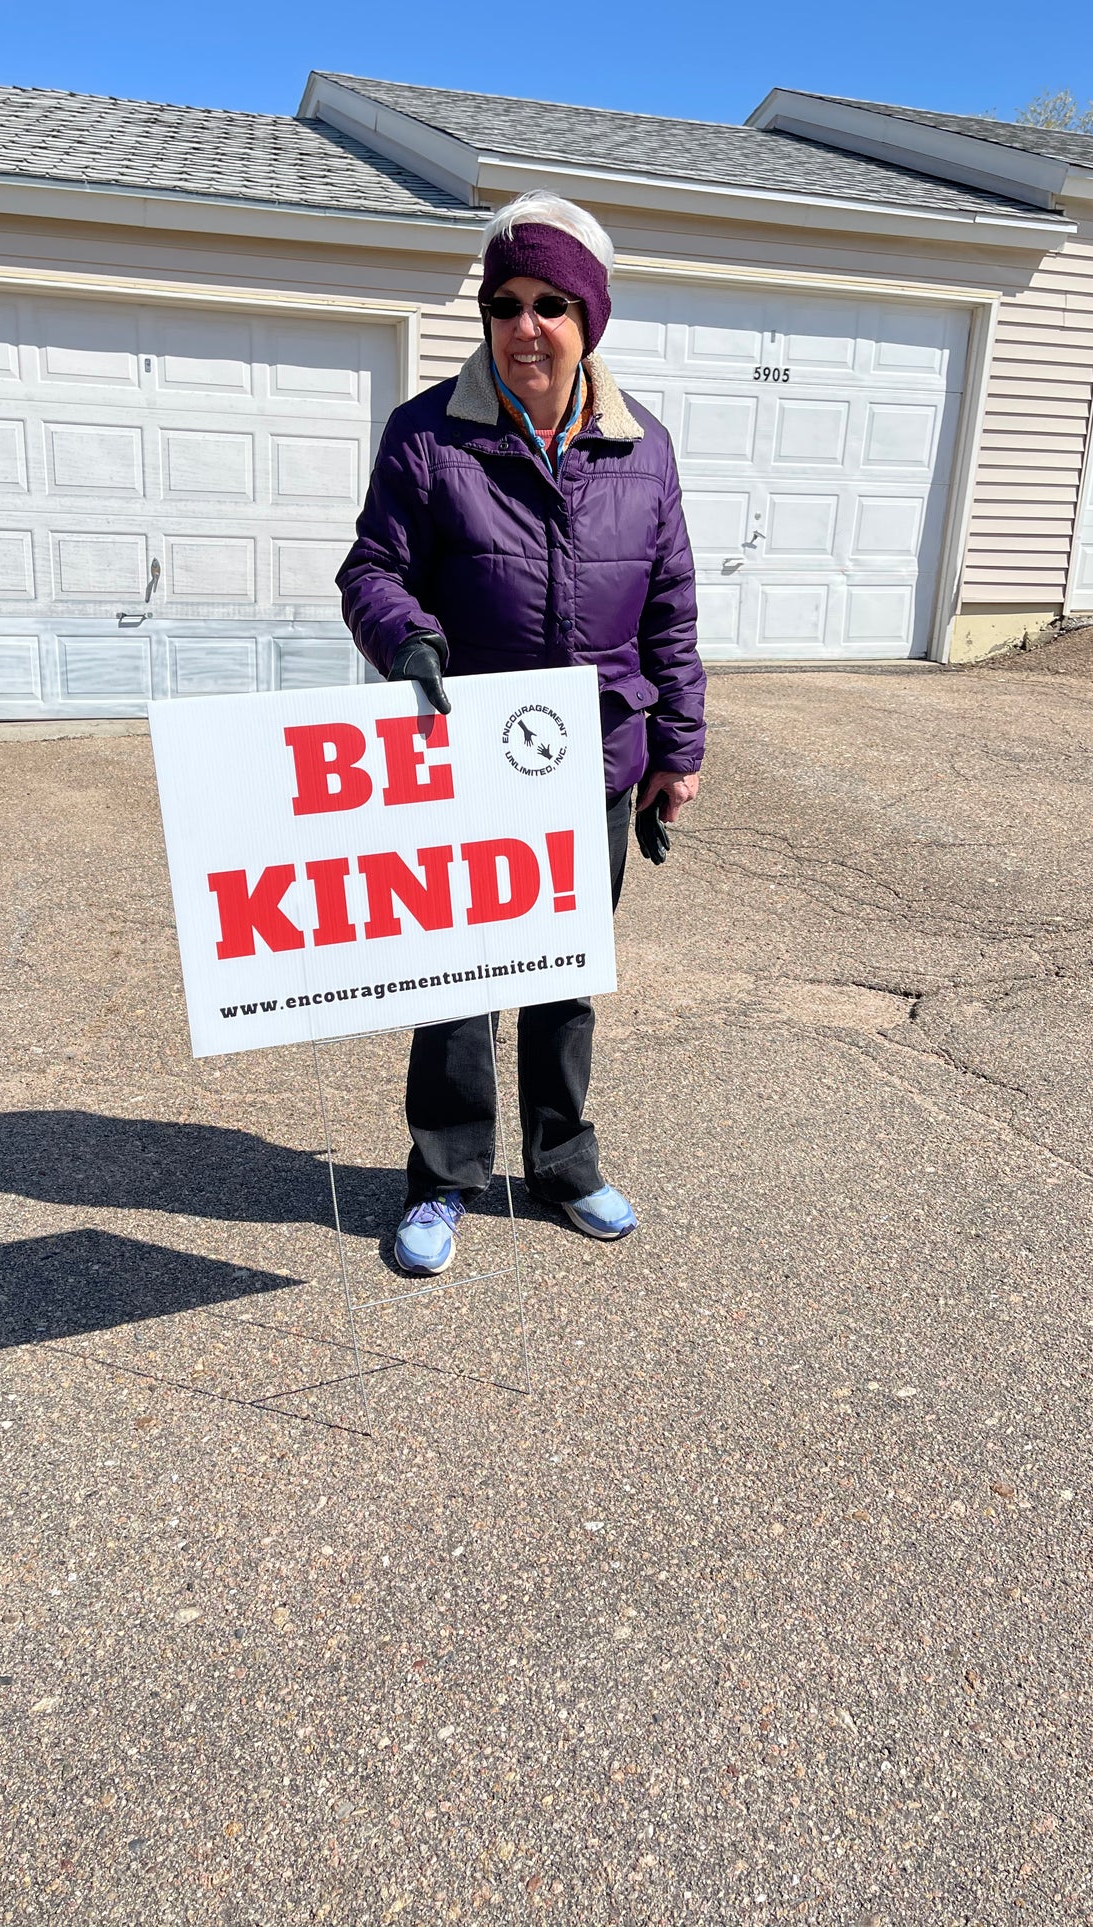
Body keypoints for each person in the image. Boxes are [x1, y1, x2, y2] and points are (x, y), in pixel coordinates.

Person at [337, 191, 706, 1277]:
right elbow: (372, 569)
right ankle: (441, 1177)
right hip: (465, 758)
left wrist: (677, 749)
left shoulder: (643, 449)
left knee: (562, 978)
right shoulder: (426, 435)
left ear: (588, 318)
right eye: (503, 304)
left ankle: (561, 1165)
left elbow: (669, 609)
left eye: (550, 304)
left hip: (595, 758)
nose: (524, 326)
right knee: (455, 982)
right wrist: (406, 638)